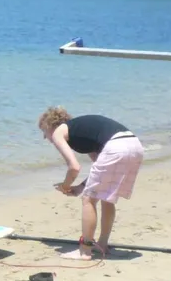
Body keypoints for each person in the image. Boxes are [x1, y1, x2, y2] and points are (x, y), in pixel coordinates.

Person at [38, 107, 144, 260]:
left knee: (88, 200)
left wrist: (65, 185)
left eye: (44, 131)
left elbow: (74, 167)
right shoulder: (81, 132)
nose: (45, 137)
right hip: (134, 145)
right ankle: (102, 244)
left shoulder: (58, 132)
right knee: (106, 196)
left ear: (49, 126)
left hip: (116, 147)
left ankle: (85, 250)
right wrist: (80, 187)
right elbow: (100, 170)